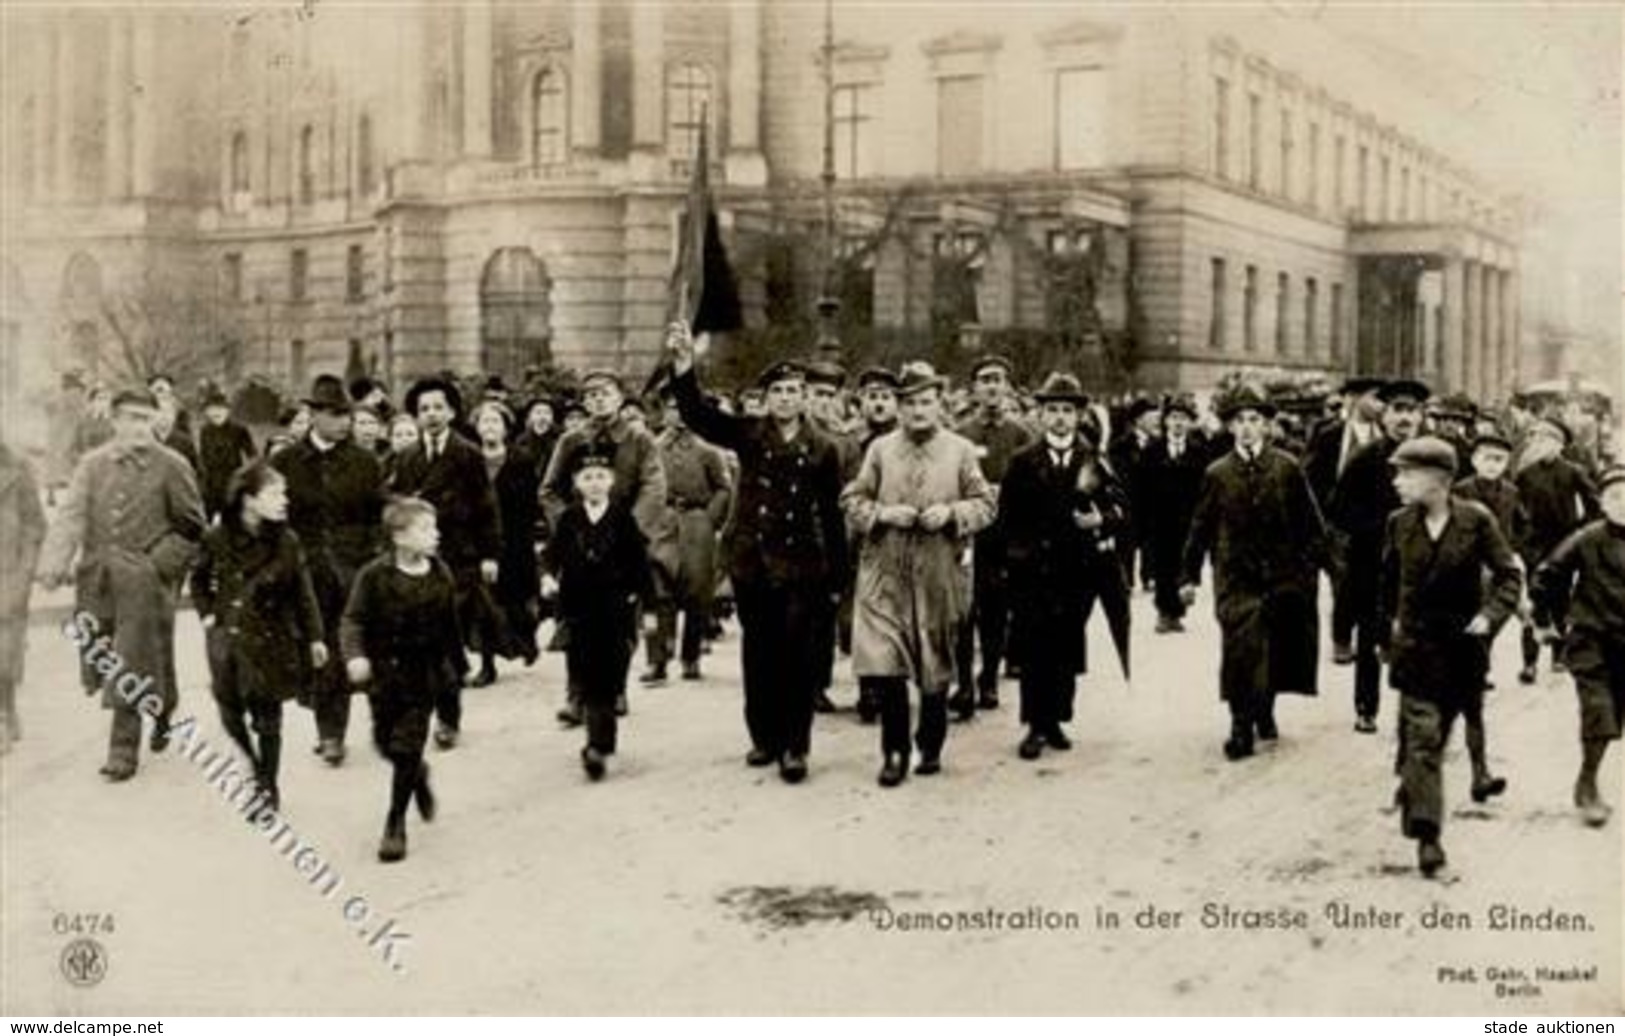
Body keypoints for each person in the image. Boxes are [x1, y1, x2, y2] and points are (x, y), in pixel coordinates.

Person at [665, 322, 847, 783]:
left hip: (802, 564)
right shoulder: (749, 435)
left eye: (794, 390)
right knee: (760, 651)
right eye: (779, 390)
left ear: (805, 397)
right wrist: (684, 366)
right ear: (766, 397)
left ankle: (795, 746)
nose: (787, 398)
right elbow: (699, 416)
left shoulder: (823, 449)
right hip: (753, 561)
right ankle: (763, 738)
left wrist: (837, 577)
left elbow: (831, 514)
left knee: (798, 656)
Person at [38, 387, 206, 780]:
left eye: (145, 419)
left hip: (145, 580)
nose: (138, 428)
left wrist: (157, 566)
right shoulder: (92, 464)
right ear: (113, 421)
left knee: (131, 657)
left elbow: (192, 527)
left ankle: (122, 748)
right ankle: (164, 705)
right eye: (129, 418)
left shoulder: (172, 464)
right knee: (105, 649)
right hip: (97, 577)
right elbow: (71, 516)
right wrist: (53, 562)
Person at [842, 363, 996, 786]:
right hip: (885, 573)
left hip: (939, 573)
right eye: (908, 403)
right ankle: (894, 751)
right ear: (898, 406)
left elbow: (986, 504)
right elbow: (852, 499)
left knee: (934, 666)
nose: (916, 411)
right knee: (886, 664)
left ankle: (930, 738)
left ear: (939, 404)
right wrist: (882, 513)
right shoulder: (880, 450)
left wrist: (951, 513)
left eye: (925, 402)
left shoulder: (961, 450)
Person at [1378, 437, 1521, 877]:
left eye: (1406, 473)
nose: (1398, 482)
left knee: (1436, 740)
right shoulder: (1398, 523)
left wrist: (1489, 616)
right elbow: (1386, 585)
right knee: (1424, 742)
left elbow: (1508, 576)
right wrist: (1392, 633)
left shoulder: (1476, 521)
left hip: (1462, 652)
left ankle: (1412, 792)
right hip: (1416, 652)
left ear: (1437, 481)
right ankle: (1429, 843)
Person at [1180, 384, 1333, 761]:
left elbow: (1312, 525)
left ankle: (1264, 709)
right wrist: (1188, 577)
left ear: (1266, 426)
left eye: (1254, 420)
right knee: (1240, 648)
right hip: (1235, 578)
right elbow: (1200, 527)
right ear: (1230, 427)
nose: (1247, 428)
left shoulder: (1286, 467)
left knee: (1275, 649)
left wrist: (1316, 567)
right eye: (1239, 421)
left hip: (1281, 578)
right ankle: (1240, 725)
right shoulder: (1218, 473)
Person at [1000, 373, 1124, 761]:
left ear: (1079, 415)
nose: (1059, 418)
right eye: (1051, 410)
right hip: (1033, 570)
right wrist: (1015, 560)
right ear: (1040, 415)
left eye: (1066, 411)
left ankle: (1056, 718)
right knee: (1035, 646)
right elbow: (1008, 518)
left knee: (1067, 644)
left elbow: (1121, 508)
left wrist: (1100, 519)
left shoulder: (1094, 459)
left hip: (1078, 570)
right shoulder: (1023, 461)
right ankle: (1035, 724)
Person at [191, 461, 325, 814]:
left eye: (285, 493)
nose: (285, 500)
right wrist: (207, 615)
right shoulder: (216, 537)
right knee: (230, 710)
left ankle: (267, 786)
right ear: (249, 499)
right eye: (275, 493)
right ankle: (252, 764)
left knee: (268, 716)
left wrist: (315, 638)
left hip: (270, 637)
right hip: (228, 638)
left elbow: (303, 592)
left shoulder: (286, 540)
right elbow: (199, 579)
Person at [541, 369, 671, 722]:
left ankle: (615, 689)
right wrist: (571, 527)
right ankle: (576, 694)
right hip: (580, 547)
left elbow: (654, 487)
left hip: (623, 545)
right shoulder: (571, 440)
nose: (599, 400)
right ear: (584, 402)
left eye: (606, 393)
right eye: (592, 395)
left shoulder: (639, 439)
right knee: (575, 621)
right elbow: (549, 489)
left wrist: (629, 530)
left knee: (619, 623)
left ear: (620, 397)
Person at [272, 374, 386, 766]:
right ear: (314, 415)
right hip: (304, 574)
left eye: (347, 414)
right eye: (336, 414)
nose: (345, 422)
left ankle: (333, 733)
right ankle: (327, 725)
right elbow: (273, 518)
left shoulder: (365, 462)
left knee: (343, 651)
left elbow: (378, 517)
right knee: (314, 653)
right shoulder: (284, 463)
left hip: (353, 572)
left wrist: (370, 561)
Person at [340, 498, 461, 863]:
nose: (435, 534)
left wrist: (456, 667)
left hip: (424, 675)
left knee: (407, 745)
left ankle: (395, 823)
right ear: (400, 537)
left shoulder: (441, 574)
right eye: (426, 528)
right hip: (384, 674)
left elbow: (450, 625)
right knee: (384, 743)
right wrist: (355, 655)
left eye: (434, 527)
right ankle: (417, 775)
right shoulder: (374, 575)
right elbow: (353, 620)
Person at [391, 377, 502, 744]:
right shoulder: (406, 458)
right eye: (424, 409)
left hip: (459, 555)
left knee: (445, 639)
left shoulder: (468, 453)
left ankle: (448, 719)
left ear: (453, 411)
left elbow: (487, 508)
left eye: (438, 407)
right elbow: (398, 508)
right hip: (416, 555)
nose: (431, 415)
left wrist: (489, 554)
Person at [542, 448, 656, 780]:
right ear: (577, 483)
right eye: (587, 478)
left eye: (601, 477)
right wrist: (547, 576)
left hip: (614, 611)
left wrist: (648, 609)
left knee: (607, 677)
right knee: (585, 674)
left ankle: (599, 743)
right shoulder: (569, 519)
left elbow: (640, 566)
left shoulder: (622, 519)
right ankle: (596, 740)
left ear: (612, 481)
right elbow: (551, 556)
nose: (594, 484)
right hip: (577, 610)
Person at [1330, 378, 1428, 734]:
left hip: (1422, 565)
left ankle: (1417, 707)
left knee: (1421, 635)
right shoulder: (1365, 459)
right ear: (1384, 415)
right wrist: (1380, 528)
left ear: (1421, 416)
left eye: (1412, 411)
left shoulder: (1433, 458)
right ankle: (1366, 707)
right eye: (1398, 410)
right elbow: (1339, 510)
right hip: (1372, 564)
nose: (1405, 418)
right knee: (1370, 637)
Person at [1530, 465, 1625, 828]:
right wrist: (1542, 619)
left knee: (1615, 716)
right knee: (1599, 710)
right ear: (1601, 502)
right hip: (1591, 639)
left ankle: (1588, 775)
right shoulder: (1587, 538)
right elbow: (1547, 575)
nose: (1623, 503)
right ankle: (1587, 787)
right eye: (1615, 496)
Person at [953, 355, 1035, 717]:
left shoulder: (1021, 433)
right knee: (962, 612)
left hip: (1004, 535)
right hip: (968, 534)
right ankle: (965, 684)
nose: (991, 385)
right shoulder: (959, 433)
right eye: (984, 379)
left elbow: (1035, 481)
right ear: (973, 388)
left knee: (996, 610)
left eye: (998, 379)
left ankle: (988, 679)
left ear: (1008, 387)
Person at [645, 395, 732, 683]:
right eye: (672, 408)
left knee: (697, 591)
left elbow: (723, 488)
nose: (678, 416)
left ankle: (691, 655)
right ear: (663, 414)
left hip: (696, 522)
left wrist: (709, 519)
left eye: (684, 410)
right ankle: (658, 658)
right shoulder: (651, 448)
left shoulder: (708, 451)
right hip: (662, 521)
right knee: (659, 591)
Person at [1303, 376, 1388, 664]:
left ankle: (1377, 636)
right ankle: (1341, 638)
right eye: (1375, 398)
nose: (1380, 405)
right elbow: (1310, 478)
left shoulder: (1384, 436)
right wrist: (1320, 519)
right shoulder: (1329, 435)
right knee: (1345, 583)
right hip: (1337, 523)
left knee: (1375, 581)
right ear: (1354, 399)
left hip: (1375, 523)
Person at [1514, 416, 1598, 684]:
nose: (1543, 445)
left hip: (1563, 543)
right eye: (1538, 439)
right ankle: (1529, 663)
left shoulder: (1573, 471)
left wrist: (1580, 532)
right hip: (1534, 545)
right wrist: (1521, 539)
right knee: (1535, 600)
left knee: (1560, 599)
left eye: (1549, 440)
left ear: (1560, 445)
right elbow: (1516, 508)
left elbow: (1594, 502)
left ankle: (1559, 655)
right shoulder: (1526, 474)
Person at [804, 360, 859, 715]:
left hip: (826, 537)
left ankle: (817, 685)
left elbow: (852, 492)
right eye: (816, 393)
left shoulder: (844, 442)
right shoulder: (788, 432)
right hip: (784, 537)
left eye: (829, 395)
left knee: (822, 616)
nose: (823, 401)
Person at [472, 400, 542, 673]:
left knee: (518, 601)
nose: (489, 427)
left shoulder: (521, 459)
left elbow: (529, 503)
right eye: (484, 421)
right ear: (476, 427)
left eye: (495, 422)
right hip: (482, 540)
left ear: (505, 428)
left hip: (516, 540)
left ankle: (527, 638)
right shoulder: (470, 459)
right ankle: (487, 664)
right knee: (486, 604)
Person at [1142, 395, 1208, 633]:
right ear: (1166, 422)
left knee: (1185, 564)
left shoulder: (1199, 452)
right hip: (1160, 519)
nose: (1178, 423)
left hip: (1188, 519)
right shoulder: (1153, 450)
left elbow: (1205, 487)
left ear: (1190, 423)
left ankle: (1177, 612)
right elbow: (1143, 487)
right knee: (1163, 565)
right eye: (1173, 418)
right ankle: (1163, 612)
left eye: (1183, 419)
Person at [0, 441, 46, 750]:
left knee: (4, 651)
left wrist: (25, 571)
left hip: (7, 572)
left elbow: (35, 525)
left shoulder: (17, 467)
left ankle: (4, 712)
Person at [197, 387, 257, 520]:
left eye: (220, 409)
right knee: (211, 518)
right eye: (211, 409)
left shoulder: (239, 430)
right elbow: (203, 456)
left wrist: (242, 477)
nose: (216, 412)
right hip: (211, 483)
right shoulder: (205, 431)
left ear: (227, 411)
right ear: (206, 412)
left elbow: (253, 456)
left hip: (232, 481)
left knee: (232, 517)